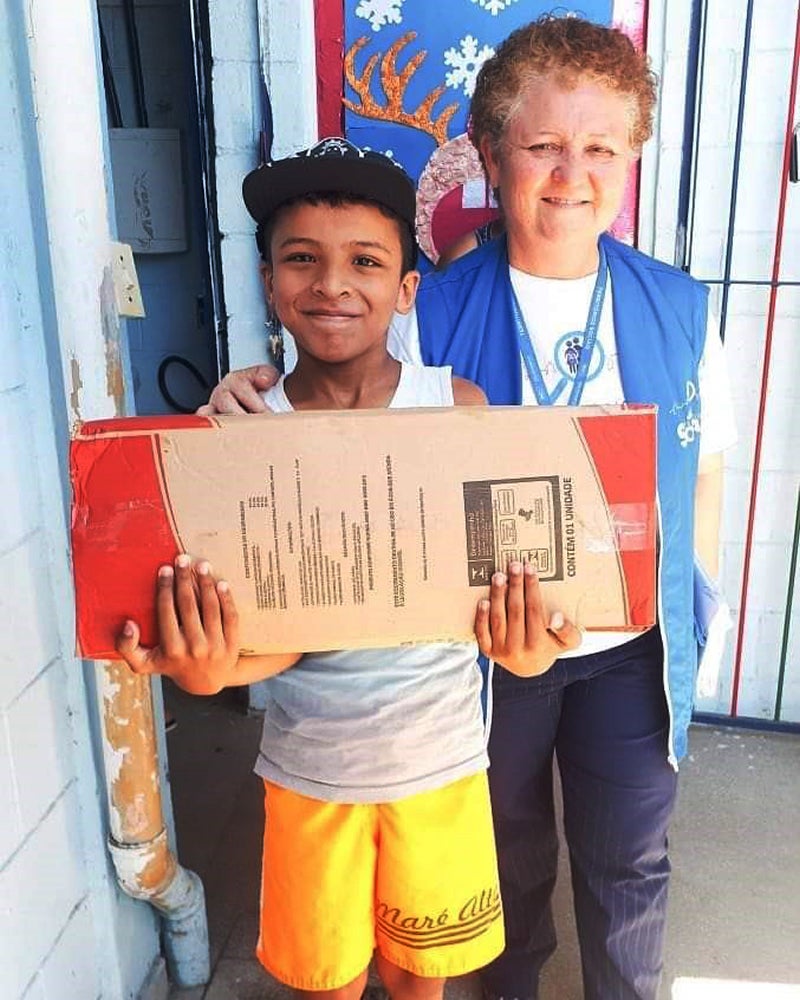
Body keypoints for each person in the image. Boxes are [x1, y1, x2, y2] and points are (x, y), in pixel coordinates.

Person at [201, 16, 736, 1000]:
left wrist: (695, 602)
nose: (569, 172)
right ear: (491, 156)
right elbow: (339, 405)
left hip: (627, 644)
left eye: (598, 148)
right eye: (540, 146)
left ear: (629, 160)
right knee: (504, 853)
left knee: (629, 855)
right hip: (482, 645)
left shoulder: (677, 304)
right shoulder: (428, 308)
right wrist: (250, 397)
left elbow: (701, 470)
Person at [116, 137, 507, 1000]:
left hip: (439, 765)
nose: (332, 284)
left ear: (406, 287)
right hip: (310, 775)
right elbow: (267, 643)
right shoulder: (239, 437)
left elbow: (499, 609)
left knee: (418, 976)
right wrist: (203, 668)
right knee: (325, 982)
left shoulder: (458, 413)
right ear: (268, 282)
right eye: (302, 259)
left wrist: (532, 640)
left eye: (366, 261)